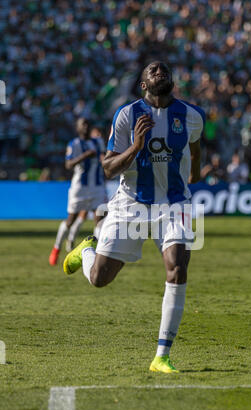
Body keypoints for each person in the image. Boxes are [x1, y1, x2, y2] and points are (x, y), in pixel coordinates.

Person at [63, 61, 205, 373]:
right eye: (151, 70)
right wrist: (136, 147)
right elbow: (108, 167)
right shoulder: (127, 115)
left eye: (163, 69)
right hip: (131, 202)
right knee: (100, 279)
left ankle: (162, 356)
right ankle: (86, 249)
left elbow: (195, 148)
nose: (158, 70)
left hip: (175, 202)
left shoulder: (191, 116)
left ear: (171, 80)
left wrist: (194, 174)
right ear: (143, 85)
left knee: (177, 268)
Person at [49, 118, 107, 265]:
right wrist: (84, 156)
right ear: (78, 128)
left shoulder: (98, 142)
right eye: (83, 124)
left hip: (97, 187)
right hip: (79, 188)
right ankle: (56, 249)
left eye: (88, 124)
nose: (86, 127)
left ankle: (97, 254)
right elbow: (68, 164)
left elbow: (105, 157)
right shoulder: (73, 144)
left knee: (99, 220)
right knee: (71, 220)